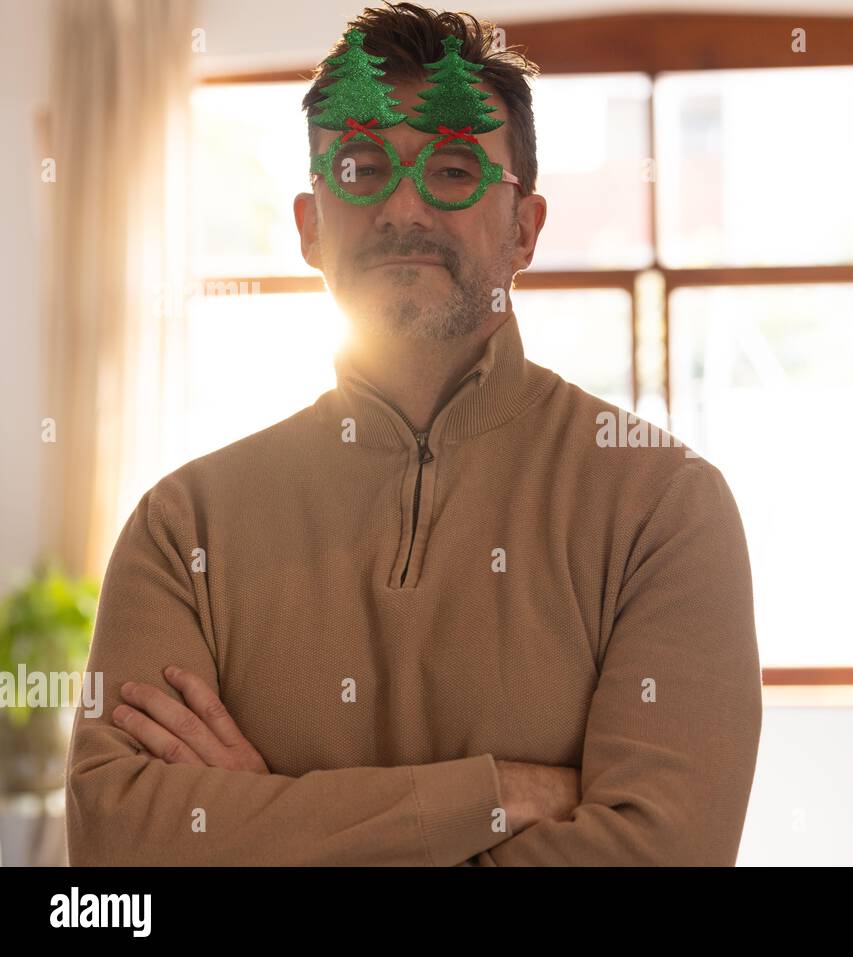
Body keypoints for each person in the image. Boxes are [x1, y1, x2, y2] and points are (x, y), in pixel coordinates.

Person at [65, 2, 762, 866]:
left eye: (457, 168)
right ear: (311, 225)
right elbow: (118, 845)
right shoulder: (182, 528)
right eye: (359, 168)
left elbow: (663, 854)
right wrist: (499, 795)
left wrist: (269, 819)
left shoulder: (663, 507)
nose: (404, 204)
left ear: (525, 229)